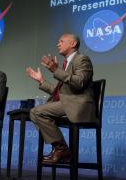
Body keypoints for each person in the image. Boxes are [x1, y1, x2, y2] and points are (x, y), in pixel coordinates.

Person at [26, 33, 95, 164]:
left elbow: (79, 82)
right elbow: (59, 93)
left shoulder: (82, 59)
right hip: (67, 102)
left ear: (73, 44)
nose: (58, 44)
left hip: (78, 105)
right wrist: (42, 81)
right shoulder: (66, 64)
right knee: (36, 113)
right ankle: (60, 149)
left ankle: (61, 149)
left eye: (61, 41)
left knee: (37, 112)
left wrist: (56, 70)